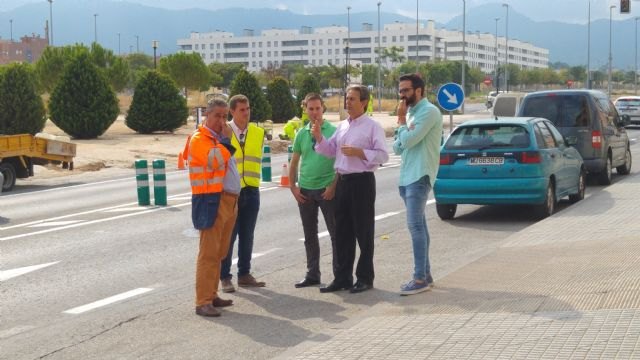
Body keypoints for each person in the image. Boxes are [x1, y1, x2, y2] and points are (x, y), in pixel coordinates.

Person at [313, 85, 389, 294]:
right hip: (343, 182)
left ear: (364, 102)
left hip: (362, 182)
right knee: (342, 232)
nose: (348, 102)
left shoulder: (372, 126)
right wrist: (319, 137)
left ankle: (365, 278)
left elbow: (383, 155)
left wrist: (360, 152)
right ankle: (342, 277)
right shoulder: (342, 126)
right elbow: (330, 151)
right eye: (347, 99)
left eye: (352, 99)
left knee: (363, 231)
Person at [187, 99, 240, 317]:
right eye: (217, 115)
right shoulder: (200, 139)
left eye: (224, 116)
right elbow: (214, 161)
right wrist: (227, 141)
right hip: (212, 200)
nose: (222, 120)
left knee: (220, 252)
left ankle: (212, 294)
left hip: (229, 200)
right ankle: (202, 301)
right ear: (206, 115)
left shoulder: (218, 139)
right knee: (208, 254)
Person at [393, 73, 442, 296]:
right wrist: (403, 126)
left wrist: (402, 123)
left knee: (415, 226)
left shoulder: (429, 112)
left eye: (406, 90)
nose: (401, 95)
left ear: (419, 90)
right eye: (400, 90)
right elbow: (397, 147)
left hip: (420, 176)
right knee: (420, 226)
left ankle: (419, 278)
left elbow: (409, 140)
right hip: (407, 176)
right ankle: (427, 275)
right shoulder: (411, 113)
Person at [289, 93, 338, 288]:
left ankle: (339, 274)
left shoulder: (333, 131)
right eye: (311, 109)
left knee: (336, 234)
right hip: (306, 190)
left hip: (326, 189)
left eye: (318, 108)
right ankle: (312, 274)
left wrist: (333, 186)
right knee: (309, 235)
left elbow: (340, 162)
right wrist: (293, 187)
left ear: (323, 108)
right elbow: (294, 162)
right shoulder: (301, 133)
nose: (315, 112)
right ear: (305, 109)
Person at [220, 95, 266, 292]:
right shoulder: (224, 131)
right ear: (232, 111)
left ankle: (244, 274)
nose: (246, 113)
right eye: (242, 110)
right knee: (229, 235)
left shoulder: (258, 132)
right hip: (232, 192)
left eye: (248, 109)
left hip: (252, 189)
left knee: (247, 235)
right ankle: (224, 276)